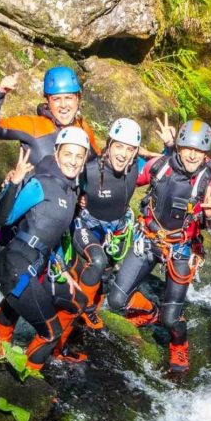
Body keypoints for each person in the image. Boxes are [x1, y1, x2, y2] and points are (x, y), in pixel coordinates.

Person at [0, 66, 100, 352]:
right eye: (57, 99)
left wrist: (81, 197)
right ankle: (1, 345)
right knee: (17, 282)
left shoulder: (84, 133)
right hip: (11, 218)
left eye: (69, 97)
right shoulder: (34, 126)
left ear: (79, 99)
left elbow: (91, 167)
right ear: (47, 101)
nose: (64, 104)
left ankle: (47, 344)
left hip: (44, 220)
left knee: (36, 285)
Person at [107, 118, 211, 374]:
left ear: (206, 154)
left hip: (181, 249)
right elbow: (125, 179)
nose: (192, 155)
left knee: (171, 318)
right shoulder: (159, 166)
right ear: (179, 147)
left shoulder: (210, 183)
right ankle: (150, 312)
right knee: (116, 300)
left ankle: (179, 344)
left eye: (199, 151)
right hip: (148, 240)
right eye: (187, 148)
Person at [0, 127, 91, 371]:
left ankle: (5, 349)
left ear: (85, 158)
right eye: (68, 154)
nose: (73, 161)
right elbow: (4, 218)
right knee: (50, 331)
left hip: (36, 265)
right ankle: (28, 379)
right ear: (56, 153)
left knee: (78, 301)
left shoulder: (71, 191)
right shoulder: (39, 183)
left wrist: (62, 267)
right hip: (14, 266)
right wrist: (14, 184)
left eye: (79, 156)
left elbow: (50, 236)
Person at [67, 117, 146, 334]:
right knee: (98, 261)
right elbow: (60, 180)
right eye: (118, 146)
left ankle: (94, 305)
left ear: (135, 151)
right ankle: (82, 308)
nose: (122, 154)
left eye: (129, 149)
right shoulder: (89, 170)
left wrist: (168, 148)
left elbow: (165, 170)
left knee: (106, 272)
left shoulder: (136, 167)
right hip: (87, 224)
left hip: (117, 229)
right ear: (109, 145)